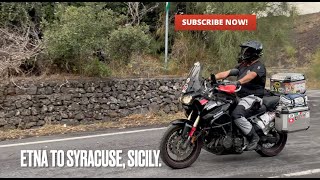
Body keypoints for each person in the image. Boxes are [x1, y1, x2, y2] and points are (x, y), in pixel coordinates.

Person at [213, 40, 266, 151]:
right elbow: (227, 73)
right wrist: (212, 78)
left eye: (247, 51)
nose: (244, 53)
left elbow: (251, 76)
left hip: (252, 97)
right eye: (244, 50)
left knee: (237, 114)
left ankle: (254, 137)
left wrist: (238, 82)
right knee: (223, 109)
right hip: (240, 96)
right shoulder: (242, 65)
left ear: (253, 53)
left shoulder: (259, 67)